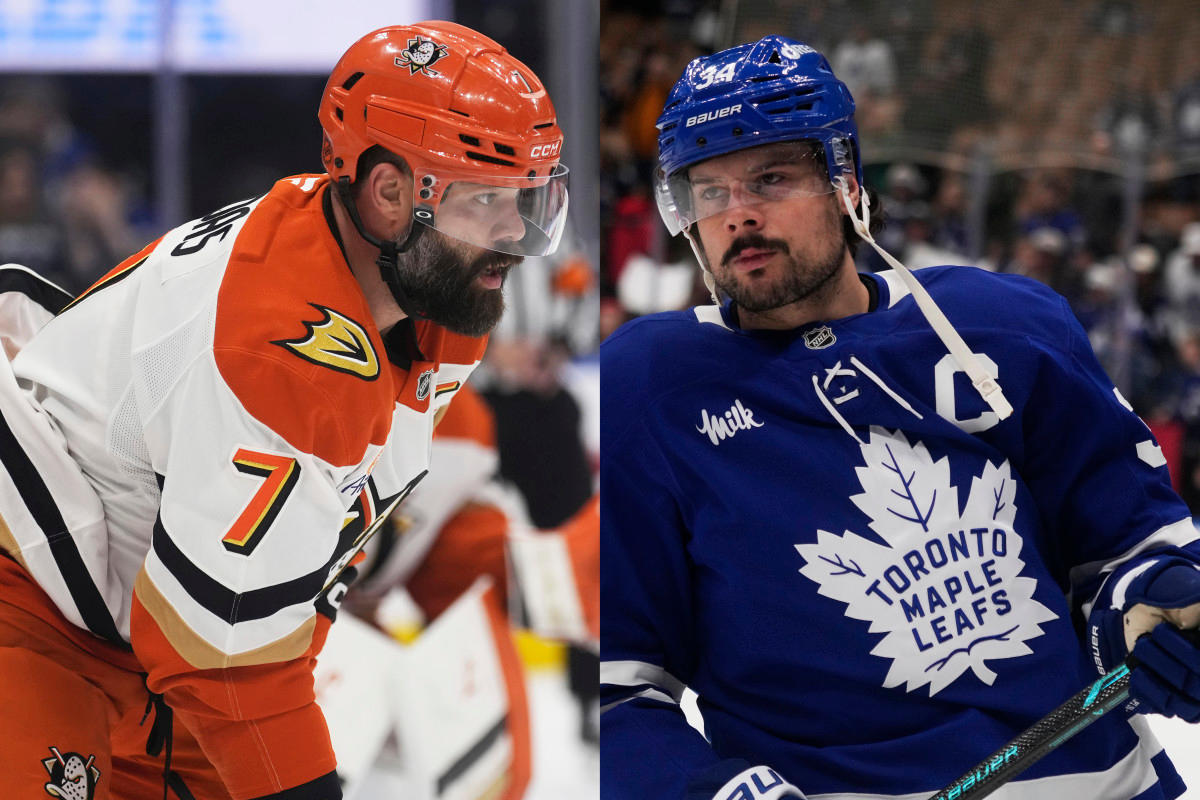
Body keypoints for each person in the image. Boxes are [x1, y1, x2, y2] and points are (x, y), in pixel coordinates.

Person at [600, 35, 1200, 800]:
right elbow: (615, 690)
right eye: (707, 191)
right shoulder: (653, 389)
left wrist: (1150, 603)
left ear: (845, 180)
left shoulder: (1001, 324)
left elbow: (1131, 541)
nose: (736, 216)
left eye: (771, 177)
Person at [0, 19, 568, 800]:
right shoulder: (284, 353)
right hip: (31, 598)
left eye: (527, 198)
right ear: (390, 192)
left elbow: (261, 602)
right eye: (486, 200)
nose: (515, 234)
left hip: (138, 627)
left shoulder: (416, 292)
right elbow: (222, 659)